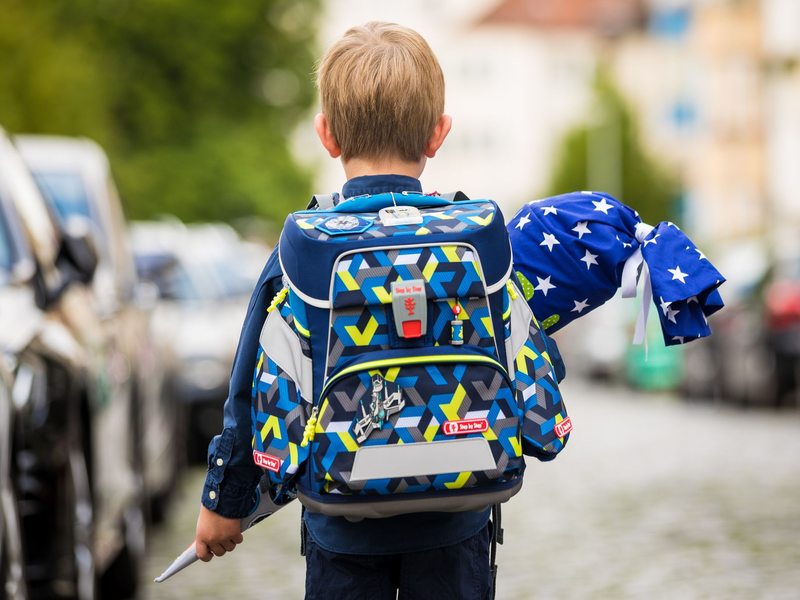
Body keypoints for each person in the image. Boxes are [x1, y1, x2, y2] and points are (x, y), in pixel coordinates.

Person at [194, 22, 496, 599]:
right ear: (439, 134)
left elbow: (248, 386)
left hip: (342, 517)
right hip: (459, 515)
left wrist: (225, 502)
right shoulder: (476, 240)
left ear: (326, 135)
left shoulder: (305, 249)